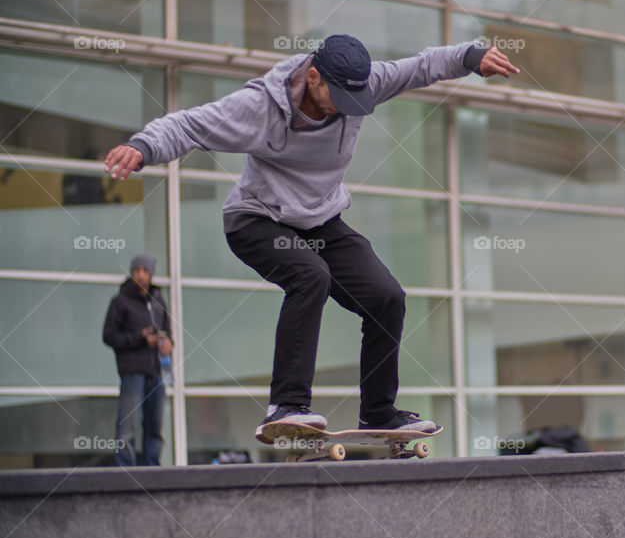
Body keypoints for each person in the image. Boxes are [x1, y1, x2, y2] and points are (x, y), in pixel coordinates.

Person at [103, 35, 519, 442]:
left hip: (320, 221)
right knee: (310, 275)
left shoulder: (365, 83)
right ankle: (286, 406)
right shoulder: (260, 107)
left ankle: (378, 413)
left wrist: (471, 56)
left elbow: (421, 67)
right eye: (338, 98)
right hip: (257, 219)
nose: (345, 110)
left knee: (387, 297)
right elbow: (188, 124)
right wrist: (143, 147)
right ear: (314, 76)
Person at [102, 254, 173, 465]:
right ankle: (125, 472)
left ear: (151, 274)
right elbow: (109, 336)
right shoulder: (120, 302)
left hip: (156, 373)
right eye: (136, 270)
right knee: (128, 428)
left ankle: (153, 471)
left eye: (145, 271)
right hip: (132, 372)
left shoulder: (158, 300)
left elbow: (167, 331)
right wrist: (140, 338)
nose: (140, 275)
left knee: (155, 428)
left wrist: (168, 342)